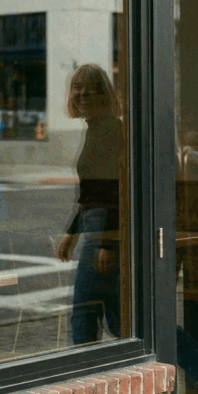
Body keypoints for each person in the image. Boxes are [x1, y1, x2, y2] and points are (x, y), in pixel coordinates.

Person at [56, 64, 125, 345]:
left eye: (90, 88)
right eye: (77, 87)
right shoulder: (96, 128)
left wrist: (108, 243)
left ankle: (84, 377)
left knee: (84, 312)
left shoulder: (109, 128)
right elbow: (91, 193)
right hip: (95, 223)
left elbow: (113, 188)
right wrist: (72, 234)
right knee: (122, 321)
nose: (82, 94)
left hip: (103, 226)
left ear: (103, 93)